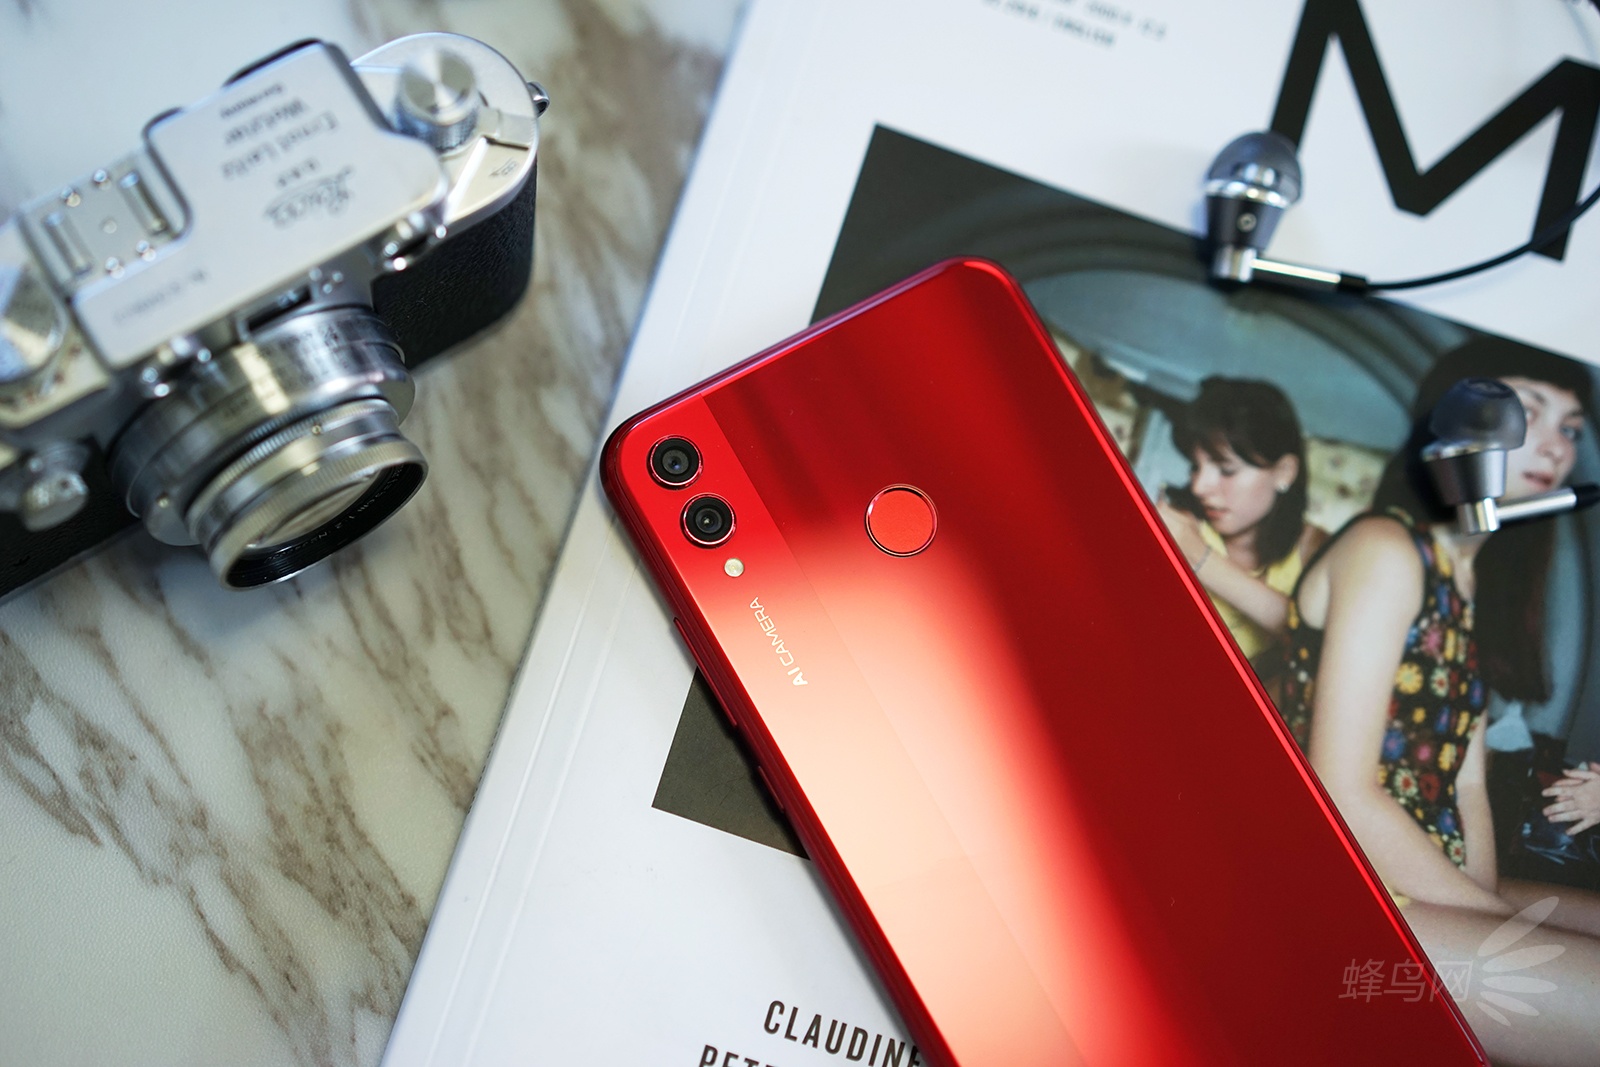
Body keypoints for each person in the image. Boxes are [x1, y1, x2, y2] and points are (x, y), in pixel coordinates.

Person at [1281, 336, 1600, 1067]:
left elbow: (1466, 785)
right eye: (1527, 411)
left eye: (1570, 427)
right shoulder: (1386, 549)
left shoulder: (1468, 581)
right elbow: (1343, 792)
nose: (1555, 444)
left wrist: (1482, 905)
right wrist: (1494, 919)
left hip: (1423, 877)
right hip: (1343, 886)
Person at [1155, 377, 1327, 672]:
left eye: (1226, 470)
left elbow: (1318, 643)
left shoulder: (1315, 550)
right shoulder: (1178, 522)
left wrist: (1199, 558)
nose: (1199, 486)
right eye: (1196, 466)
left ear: (1284, 472)